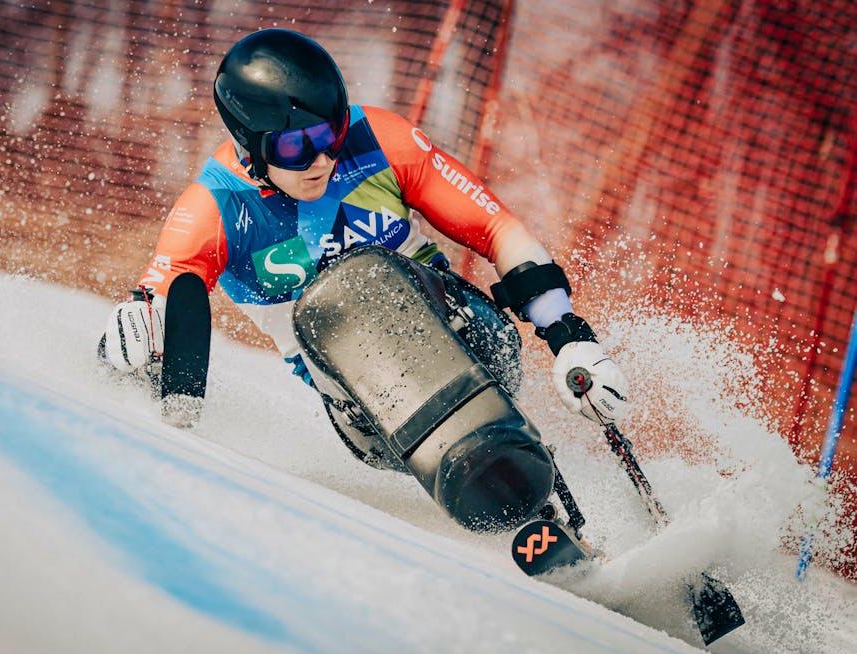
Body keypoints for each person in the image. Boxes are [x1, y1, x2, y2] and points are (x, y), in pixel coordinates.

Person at [99, 28, 629, 449]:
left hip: (469, 333)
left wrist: (568, 338)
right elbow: (159, 301)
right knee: (342, 292)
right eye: (294, 149)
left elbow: (497, 229)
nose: (322, 161)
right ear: (248, 146)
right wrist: (132, 340)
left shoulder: (381, 140)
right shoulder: (213, 208)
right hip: (362, 406)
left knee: (370, 274)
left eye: (329, 135)